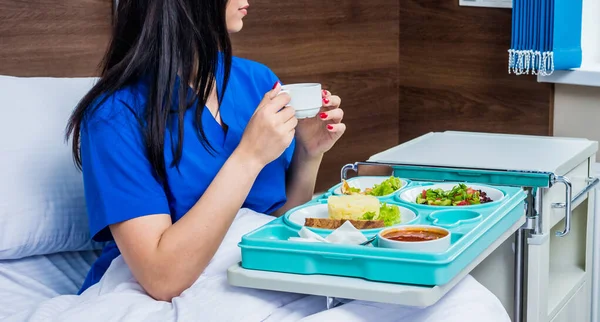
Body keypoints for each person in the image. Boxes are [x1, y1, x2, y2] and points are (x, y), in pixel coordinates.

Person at [65, 1, 511, 321]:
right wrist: (248, 156)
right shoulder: (114, 116)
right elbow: (161, 278)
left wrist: (308, 154)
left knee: (462, 303)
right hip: (178, 282)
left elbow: (278, 219)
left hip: (265, 260)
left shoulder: (255, 80)